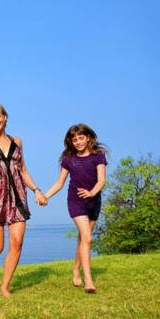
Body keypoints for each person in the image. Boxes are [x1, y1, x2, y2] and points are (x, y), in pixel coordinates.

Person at [0, 103, 45, 298]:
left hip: (17, 197)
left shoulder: (17, 142)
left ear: (5, 117)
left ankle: (5, 286)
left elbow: (23, 170)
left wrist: (36, 190)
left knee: (17, 243)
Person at [41, 123, 108, 293]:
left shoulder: (98, 156)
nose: (78, 142)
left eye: (80, 138)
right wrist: (46, 196)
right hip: (76, 201)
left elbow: (102, 180)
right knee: (88, 238)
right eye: (74, 140)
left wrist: (92, 193)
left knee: (83, 239)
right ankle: (89, 281)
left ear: (88, 138)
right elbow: (59, 183)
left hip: (94, 201)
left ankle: (76, 268)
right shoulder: (69, 160)